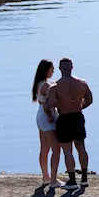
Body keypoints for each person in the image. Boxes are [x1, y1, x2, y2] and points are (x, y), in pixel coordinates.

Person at [46, 57, 93, 188]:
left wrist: (52, 114)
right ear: (72, 67)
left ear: (60, 68)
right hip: (77, 116)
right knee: (81, 147)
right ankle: (84, 177)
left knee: (68, 151)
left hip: (64, 118)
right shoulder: (82, 83)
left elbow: (50, 104)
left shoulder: (55, 86)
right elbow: (89, 99)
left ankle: (72, 180)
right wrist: (80, 107)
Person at [31, 59, 61, 187]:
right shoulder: (46, 86)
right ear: (46, 70)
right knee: (56, 149)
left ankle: (46, 177)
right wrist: (51, 116)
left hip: (40, 117)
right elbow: (51, 103)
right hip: (46, 117)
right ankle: (53, 180)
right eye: (52, 69)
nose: (53, 71)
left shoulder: (39, 84)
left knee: (44, 148)